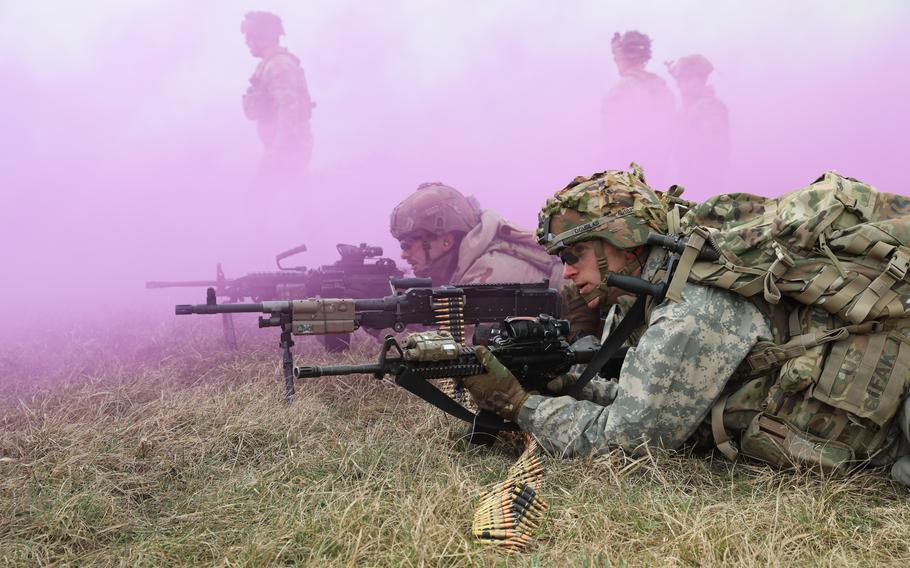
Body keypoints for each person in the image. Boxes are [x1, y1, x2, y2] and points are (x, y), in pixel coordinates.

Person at [460, 166, 910, 487]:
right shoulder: (644, 296)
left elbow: (629, 442)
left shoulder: (691, 305)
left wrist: (519, 405)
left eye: (573, 256)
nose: (569, 275)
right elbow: (649, 396)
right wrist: (563, 383)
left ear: (620, 239)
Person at [389, 182, 560, 286]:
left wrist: (383, 328)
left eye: (408, 244)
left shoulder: (489, 277)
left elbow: (460, 344)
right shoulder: (468, 265)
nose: (403, 254)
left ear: (447, 241)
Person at [241, 11, 315, 188]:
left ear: (261, 37)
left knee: (267, 203)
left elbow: (289, 111)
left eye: (249, 36)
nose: (246, 42)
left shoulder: (278, 66)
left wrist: (276, 153)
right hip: (282, 150)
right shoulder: (271, 64)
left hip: (287, 152)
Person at [601, 32, 676, 190]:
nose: (616, 62)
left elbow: (608, 135)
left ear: (625, 56)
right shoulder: (662, 89)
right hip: (658, 170)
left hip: (626, 175)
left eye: (616, 57)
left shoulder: (623, 87)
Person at [666, 54, 731, 193]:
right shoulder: (688, 109)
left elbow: (711, 151)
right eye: (679, 79)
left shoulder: (709, 108)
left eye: (685, 79)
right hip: (687, 179)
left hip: (703, 182)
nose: (679, 85)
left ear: (700, 79)